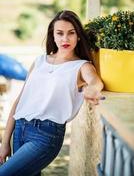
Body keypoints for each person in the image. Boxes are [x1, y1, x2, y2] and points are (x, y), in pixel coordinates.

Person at [0, 10, 104, 176]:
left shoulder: (82, 66)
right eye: (60, 33)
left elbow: (95, 81)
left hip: (46, 136)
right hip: (20, 128)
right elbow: (20, 101)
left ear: (78, 36)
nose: (65, 39)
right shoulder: (40, 61)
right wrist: (5, 142)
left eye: (71, 33)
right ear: (53, 36)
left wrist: (92, 89)